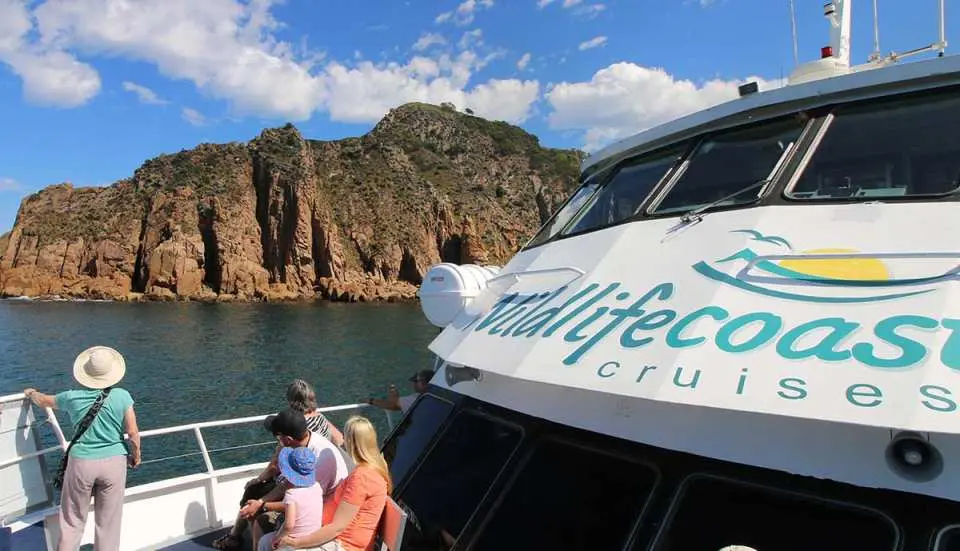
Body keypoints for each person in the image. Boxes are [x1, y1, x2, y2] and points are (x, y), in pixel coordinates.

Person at [23, 345, 141, 551]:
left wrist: (31, 392)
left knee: (72, 522)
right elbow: (132, 432)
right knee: (109, 524)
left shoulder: (72, 397)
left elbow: (43, 401)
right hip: (114, 462)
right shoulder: (122, 396)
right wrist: (136, 455)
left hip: (81, 463)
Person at [214, 410, 348, 551]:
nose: (278, 441)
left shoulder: (320, 459)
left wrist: (262, 506)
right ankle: (236, 537)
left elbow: (303, 503)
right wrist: (260, 501)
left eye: (278, 437)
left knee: (261, 520)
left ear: (288, 439)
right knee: (254, 494)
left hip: (320, 508)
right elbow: (288, 483)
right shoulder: (304, 443)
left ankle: (253, 542)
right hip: (308, 497)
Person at [275, 416, 391, 551]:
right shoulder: (371, 469)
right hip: (337, 540)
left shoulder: (362, 477)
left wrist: (296, 543)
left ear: (350, 441)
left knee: (281, 548)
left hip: (343, 545)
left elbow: (338, 527)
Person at [257, 447, 326, 551]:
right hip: (312, 535)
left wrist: (277, 538)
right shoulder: (317, 486)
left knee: (264, 541)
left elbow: (289, 525)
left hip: (293, 539)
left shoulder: (292, 494)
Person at [287, 379, 344, 447]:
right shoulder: (320, 416)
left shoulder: (297, 424)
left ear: (291, 400)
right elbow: (340, 439)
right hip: (326, 453)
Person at [366, 369, 432, 415]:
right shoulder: (435, 396)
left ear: (424, 383)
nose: (414, 384)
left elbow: (392, 404)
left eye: (416, 382)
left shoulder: (417, 399)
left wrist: (392, 389)